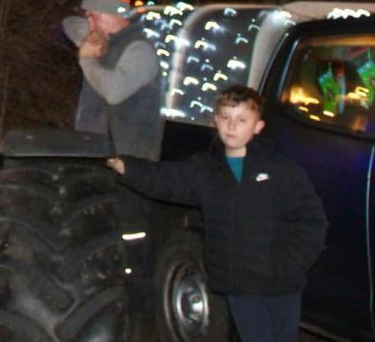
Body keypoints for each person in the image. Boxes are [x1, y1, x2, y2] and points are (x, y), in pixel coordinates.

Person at [107, 85, 327, 342]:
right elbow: (166, 179)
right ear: (216, 121)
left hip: (283, 285)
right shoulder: (206, 171)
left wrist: (288, 263)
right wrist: (128, 168)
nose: (232, 126)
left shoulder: (280, 171)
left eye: (242, 120)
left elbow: (311, 220)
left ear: (258, 126)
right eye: (226, 118)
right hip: (241, 285)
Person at [62, 0, 163, 160]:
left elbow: (114, 92)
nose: (91, 25)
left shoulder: (140, 50)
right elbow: (69, 24)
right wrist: (90, 41)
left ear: (115, 14)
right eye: (88, 17)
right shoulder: (102, 40)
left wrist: (86, 59)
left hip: (130, 164)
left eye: (95, 17)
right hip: (96, 154)